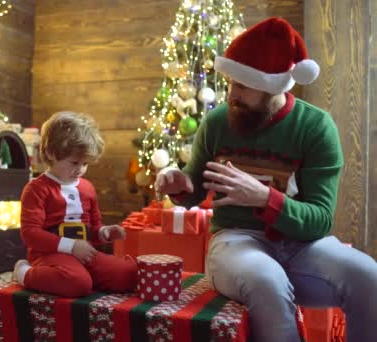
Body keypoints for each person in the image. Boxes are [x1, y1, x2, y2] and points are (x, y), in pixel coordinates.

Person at [155, 17, 377, 342]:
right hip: (234, 240)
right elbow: (195, 186)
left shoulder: (316, 127)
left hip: (302, 246)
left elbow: (319, 221)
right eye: (230, 83)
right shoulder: (217, 123)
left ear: (273, 85)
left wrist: (263, 198)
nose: (231, 94)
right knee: (266, 278)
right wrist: (180, 187)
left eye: (242, 86)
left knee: (368, 275)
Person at [12, 111, 137, 297]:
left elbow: (92, 229)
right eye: (75, 162)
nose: (80, 170)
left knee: (129, 275)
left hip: (83, 254)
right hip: (49, 255)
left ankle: (76, 275)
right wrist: (71, 247)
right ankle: (24, 272)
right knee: (79, 284)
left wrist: (103, 233)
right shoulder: (37, 189)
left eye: (85, 164)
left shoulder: (87, 188)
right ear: (50, 153)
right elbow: (30, 234)